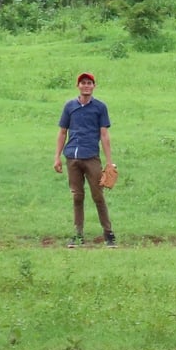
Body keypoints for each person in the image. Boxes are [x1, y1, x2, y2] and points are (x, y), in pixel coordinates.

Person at [54, 72, 117, 248]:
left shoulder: (99, 107)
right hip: (72, 157)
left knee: (98, 195)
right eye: (83, 83)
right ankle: (78, 235)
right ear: (78, 86)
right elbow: (62, 132)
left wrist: (109, 162)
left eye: (89, 83)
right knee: (77, 196)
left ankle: (108, 234)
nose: (86, 85)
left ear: (94, 86)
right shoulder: (69, 106)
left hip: (91, 157)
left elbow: (104, 134)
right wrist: (57, 157)